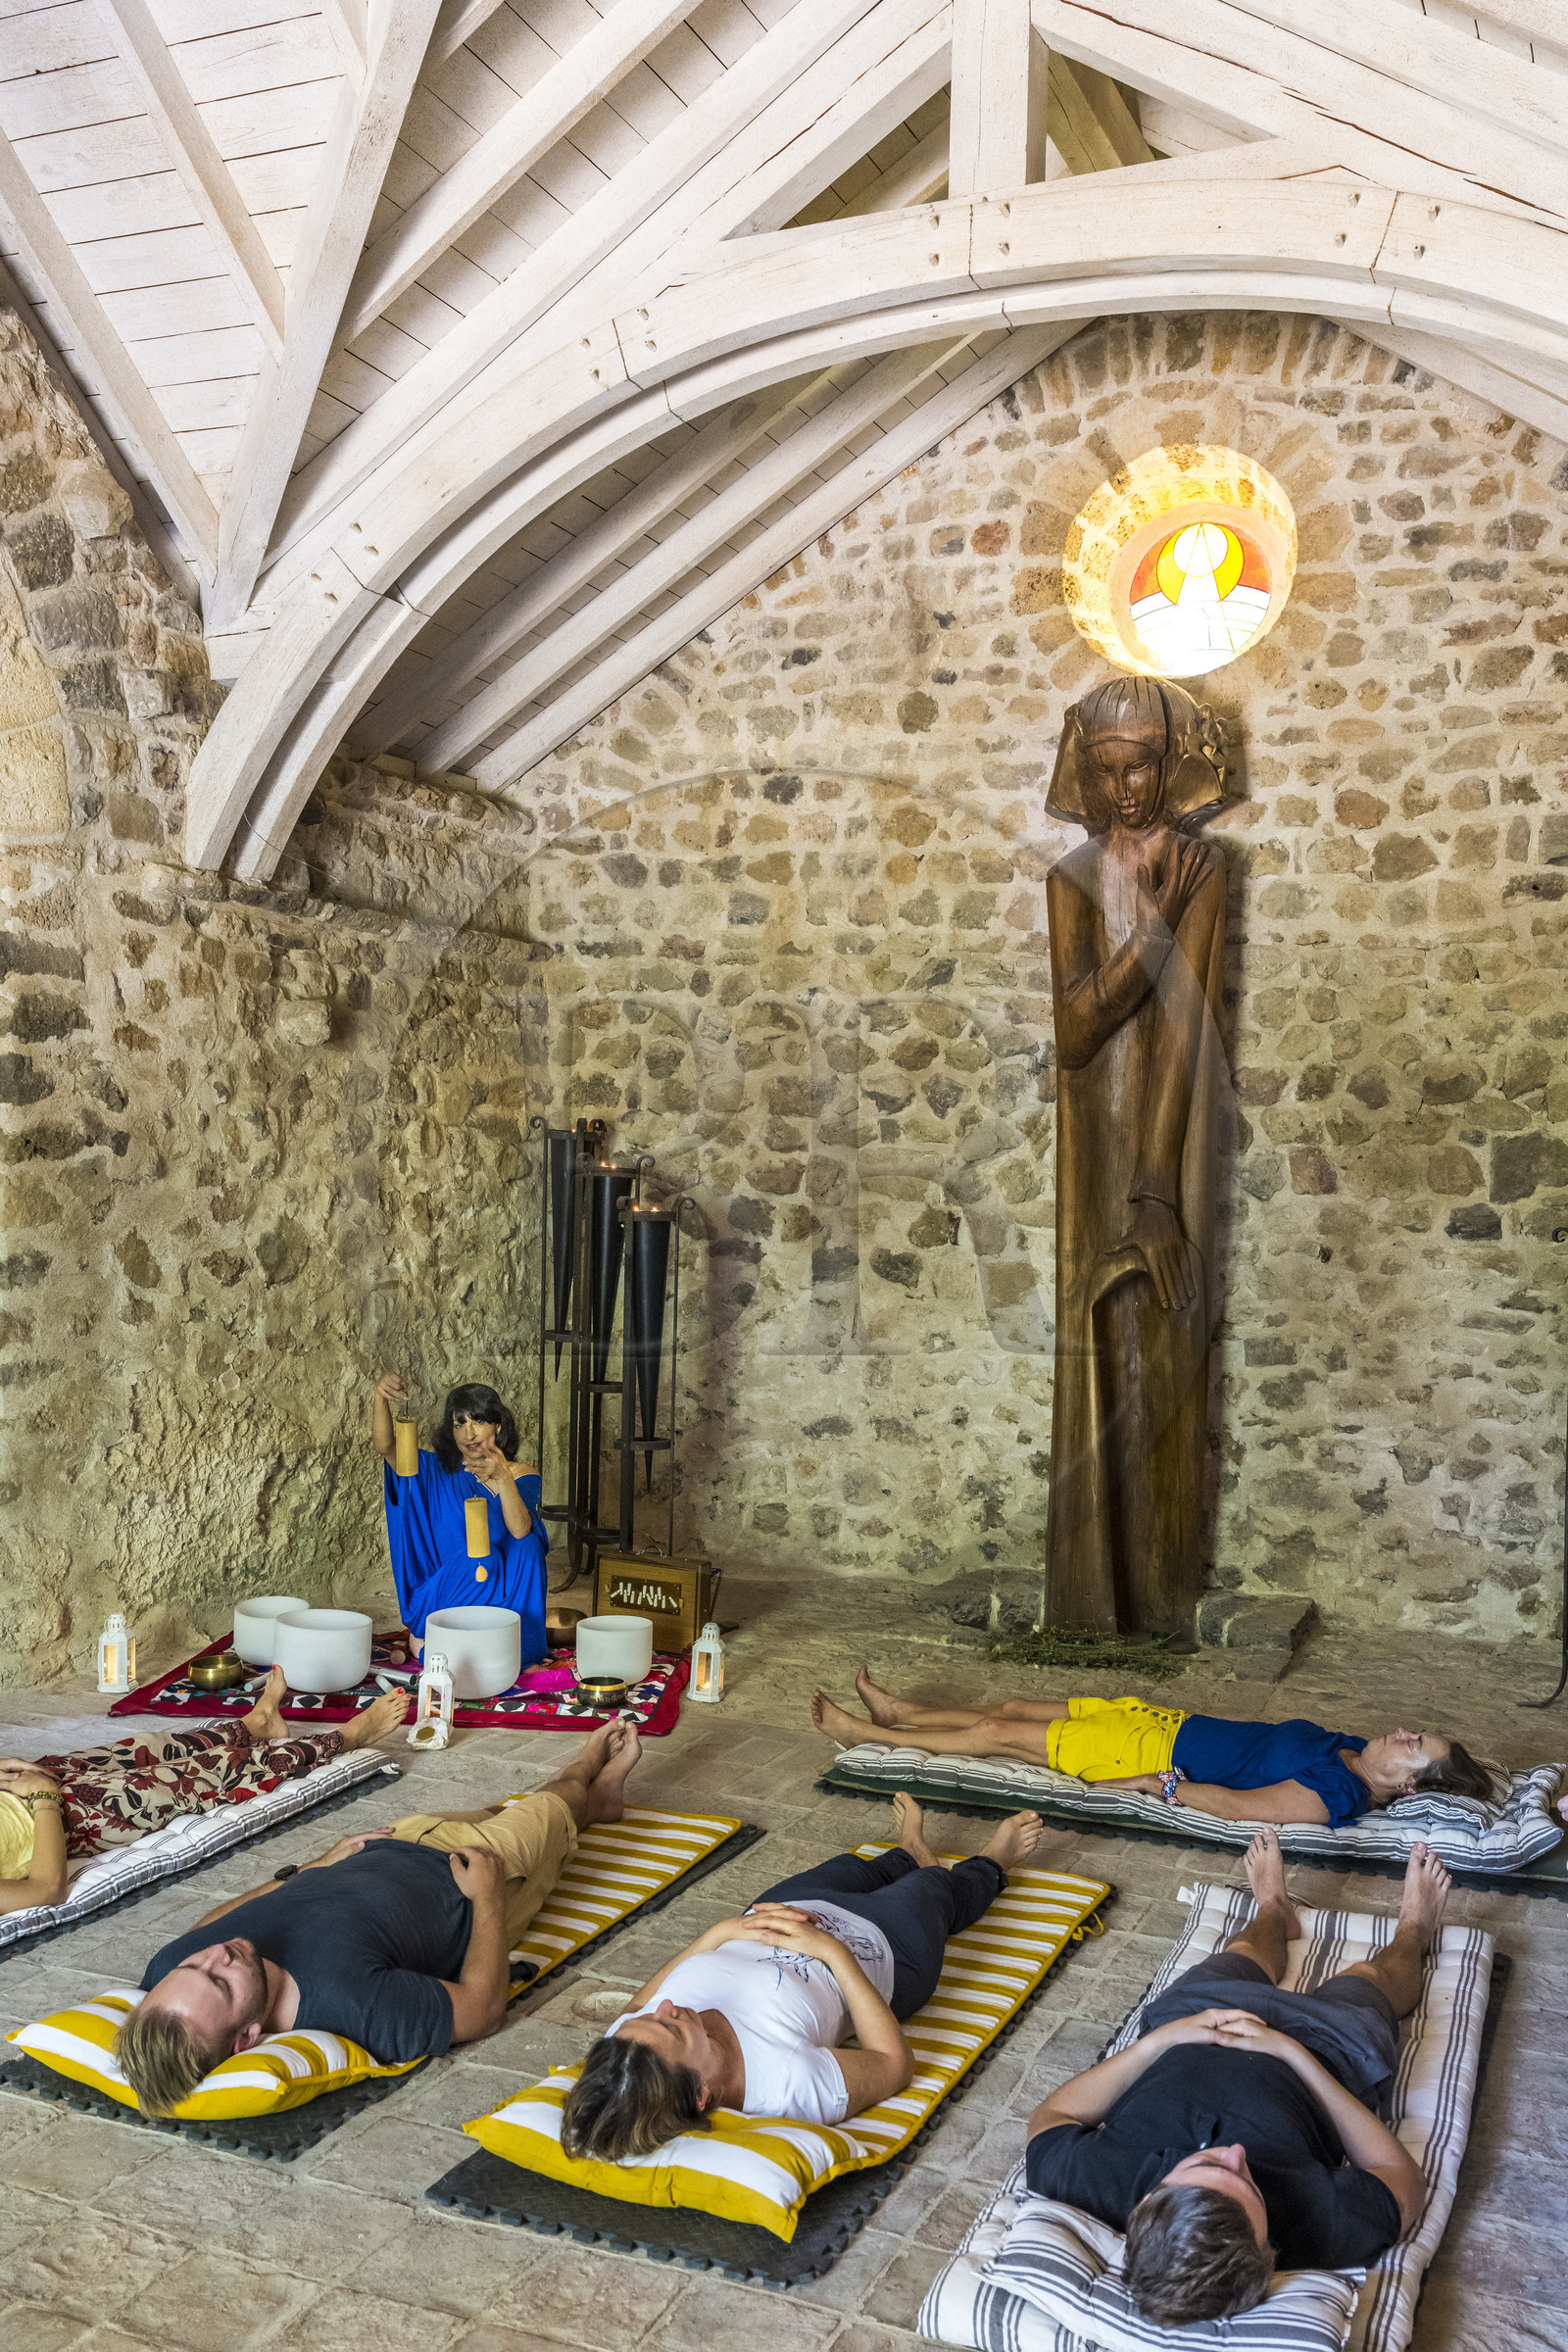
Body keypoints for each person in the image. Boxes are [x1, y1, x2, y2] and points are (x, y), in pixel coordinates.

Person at [117, 1720, 642, 2118]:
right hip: (473, 1874)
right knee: (554, 1799)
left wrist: (305, 1871)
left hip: (395, 1842)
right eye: (222, 1982)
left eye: (195, 1965)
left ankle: (597, 1804)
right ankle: (584, 1771)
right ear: (247, 2039)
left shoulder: (171, 1970)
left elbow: (209, 1923)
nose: (218, 1954)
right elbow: (483, 2013)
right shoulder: (351, 2005)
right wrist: (486, 1898)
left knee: (494, 1808)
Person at [1023, 1830, 1445, 2325]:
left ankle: (1272, 1909)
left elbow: (1053, 2116)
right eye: (1248, 2183)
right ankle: (1416, 1929)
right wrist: (1294, 2056)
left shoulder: (1093, 2184)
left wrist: (1162, 2041)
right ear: (1268, 2243)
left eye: (1209, 2166)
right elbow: (1406, 2187)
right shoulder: (1317, 2229)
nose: (1237, 2154)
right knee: (1365, 1978)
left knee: (1246, 1948)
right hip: (1326, 2047)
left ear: (1147, 2202)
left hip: (1197, 2020)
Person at [560, 1793, 1045, 2158]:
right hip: (882, 1949)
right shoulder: (788, 2082)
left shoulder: (626, 2052)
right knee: (932, 1887)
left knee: (853, 1868)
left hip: (780, 1914)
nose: (663, 2008)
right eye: (672, 2026)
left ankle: (909, 1850)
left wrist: (723, 1931)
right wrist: (832, 1953)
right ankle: (992, 1863)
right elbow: (892, 2064)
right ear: (703, 2093)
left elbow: (632, 2007)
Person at [811, 1670, 1494, 1828]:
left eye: (1414, 1746)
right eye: (1414, 1731)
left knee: (997, 1736)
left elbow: (1239, 1805)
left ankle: (865, 1735)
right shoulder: (1349, 1749)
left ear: (1408, 1786)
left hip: (1142, 1750)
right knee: (1013, 1709)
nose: (1403, 1732)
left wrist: (1155, 1786)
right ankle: (901, 1711)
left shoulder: (1338, 1792)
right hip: (1157, 1719)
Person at [0, 1670, 406, 1916]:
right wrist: (44, 1797)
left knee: (147, 1745)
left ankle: (256, 1725)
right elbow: (45, 1890)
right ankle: (346, 1738)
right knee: (202, 1777)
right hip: (62, 1818)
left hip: (23, 1785)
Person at [373, 1373, 548, 1662]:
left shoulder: (521, 1474)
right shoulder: (433, 1470)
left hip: (502, 1588)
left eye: (478, 1421)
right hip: (450, 1590)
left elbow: (520, 1530)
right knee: (480, 1558)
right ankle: (430, 1637)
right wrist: (380, 1396)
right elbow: (386, 1446)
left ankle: (520, 1651)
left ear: (498, 1425)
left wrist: (502, 1477)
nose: (469, 1433)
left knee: (528, 1545)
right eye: (459, 1424)